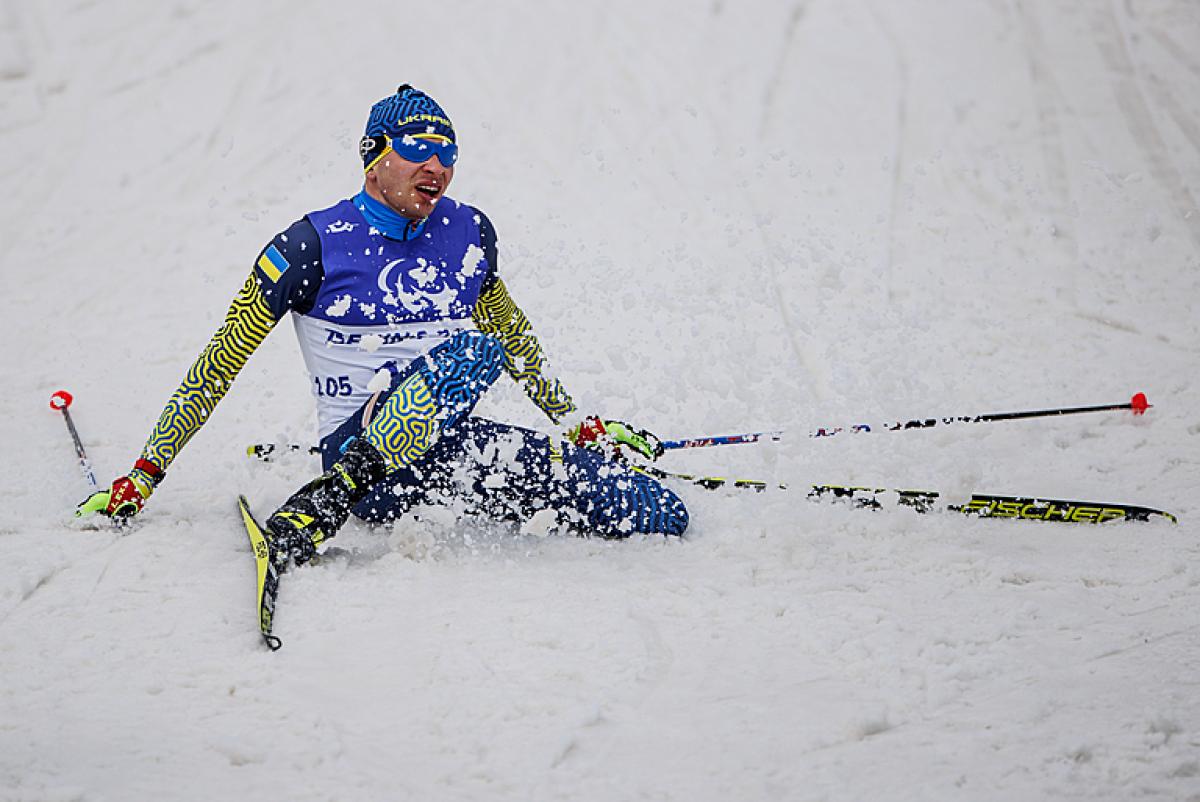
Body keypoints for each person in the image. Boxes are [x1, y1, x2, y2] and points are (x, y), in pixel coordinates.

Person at [78, 85, 689, 565]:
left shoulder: (468, 232)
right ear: (374, 158)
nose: (439, 167)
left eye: (448, 153)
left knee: (658, 510)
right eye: (420, 149)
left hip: (446, 458)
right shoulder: (311, 244)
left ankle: (335, 498)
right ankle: (334, 492)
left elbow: (517, 341)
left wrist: (581, 428)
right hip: (359, 465)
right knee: (473, 354)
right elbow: (217, 366)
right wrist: (144, 475)